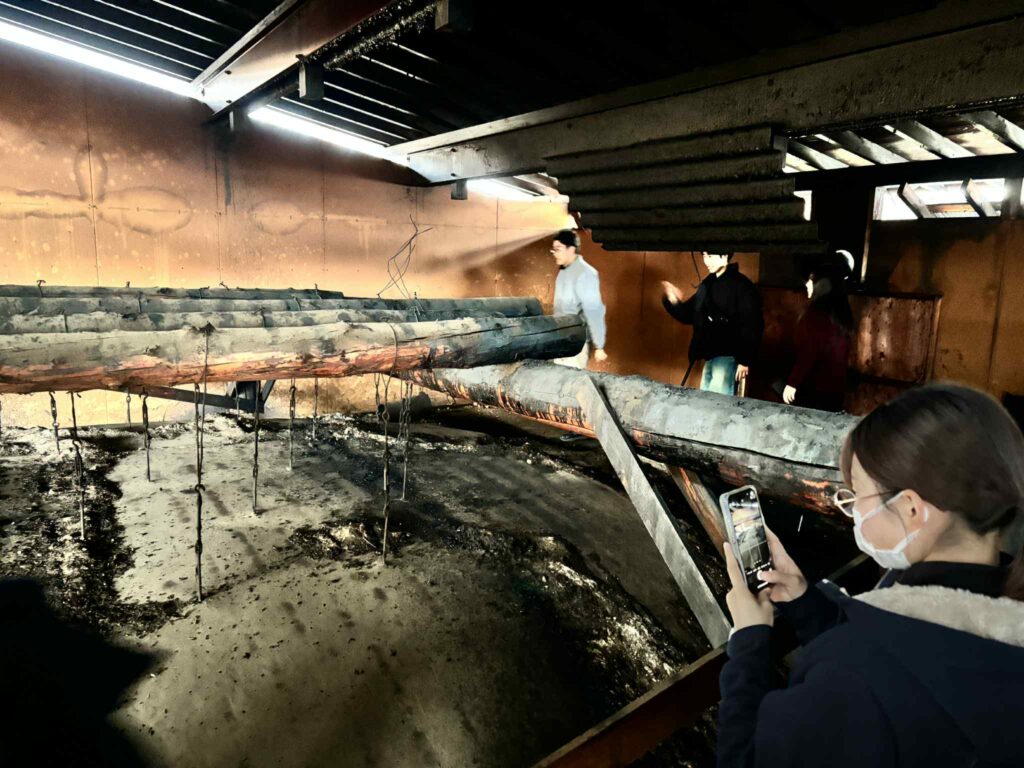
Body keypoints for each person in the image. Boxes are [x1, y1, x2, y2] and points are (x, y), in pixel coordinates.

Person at [717, 383, 1024, 768]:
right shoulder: (999, 609)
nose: (854, 513)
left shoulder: (853, 675)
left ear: (911, 509)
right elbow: (905, 645)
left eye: (856, 496)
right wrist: (803, 600)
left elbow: (744, 759)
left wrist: (749, 641)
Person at [662, 252, 762, 395]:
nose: (706, 261)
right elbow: (690, 314)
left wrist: (745, 360)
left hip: (729, 355)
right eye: (704, 256)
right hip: (709, 354)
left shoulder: (742, 285)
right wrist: (672, 300)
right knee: (706, 401)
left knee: (718, 402)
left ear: (725, 256)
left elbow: (752, 323)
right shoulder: (708, 284)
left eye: (710, 256)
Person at [782, 250, 855, 411]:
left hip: (813, 390)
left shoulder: (817, 313)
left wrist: (792, 383)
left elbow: (810, 350)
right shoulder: (842, 312)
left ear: (820, 282)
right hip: (834, 391)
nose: (807, 284)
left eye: (811, 279)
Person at [551, 229, 608, 368]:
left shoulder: (585, 273)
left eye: (558, 249)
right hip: (559, 338)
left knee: (571, 379)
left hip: (575, 342)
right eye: (553, 250)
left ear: (571, 249)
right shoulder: (563, 271)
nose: (554, 253)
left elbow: (594, 310)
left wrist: (599, 345)